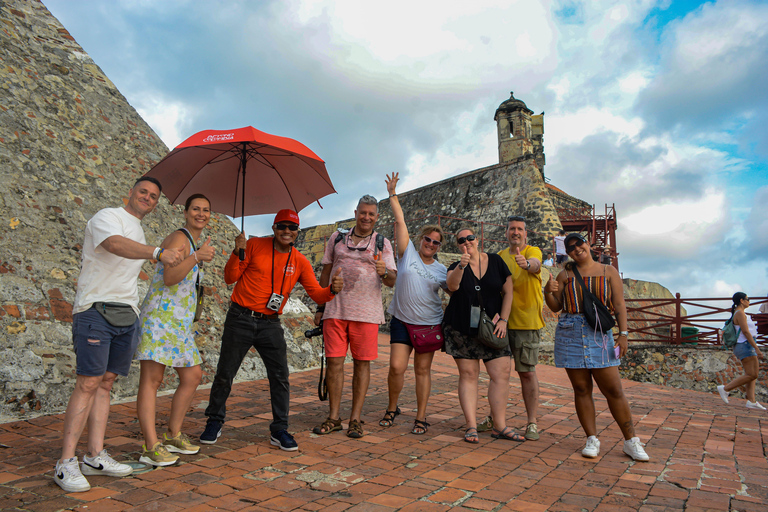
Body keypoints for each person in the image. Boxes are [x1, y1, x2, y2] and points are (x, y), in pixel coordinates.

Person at [54, 176, 185, 492]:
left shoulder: (138, 230)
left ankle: (95, 455)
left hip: (127, 314)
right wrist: (157, 252)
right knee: (88, 382)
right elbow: (113, 244)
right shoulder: (107, 217)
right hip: (95, 309)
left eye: (154, 196)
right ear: (131, 192)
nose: (148, 198)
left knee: (107, 384)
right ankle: (65, 463)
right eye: (143, 192)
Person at [199, 209, 343, 451]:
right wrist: (237, 251)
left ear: (297, 233)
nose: (287, 231)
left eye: (293, 227)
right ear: (274, 228)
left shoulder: (299, 260)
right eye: (282, 226)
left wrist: (332, 291)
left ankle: (280, 429)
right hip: (240, 317)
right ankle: (214, 420)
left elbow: (316, 293)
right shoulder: (253, 245)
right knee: (225, 373)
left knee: (280, 377)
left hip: (270, 323)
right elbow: (229, 277)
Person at [544, 233, 649, 461]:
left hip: (600, 333)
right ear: (568, 252)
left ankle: (631, 441)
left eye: (579, 243)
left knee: (613, 389)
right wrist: (547, 291)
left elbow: (619, 304)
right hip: (570, 331)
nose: (576, 249)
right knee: (581, 389)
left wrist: (624, 334)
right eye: (570, 247)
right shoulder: (565, 275)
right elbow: (556, 306)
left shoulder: (607, 271)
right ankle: (591, 438)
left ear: (588, 244)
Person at [135, 194, 217, 466]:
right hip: (161, 317)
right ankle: (150, 446)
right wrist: (196, 257)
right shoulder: (180, 239)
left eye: (206, 210)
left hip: (178, 323)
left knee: (192, 375)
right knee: (152, 380)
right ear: (185, 212)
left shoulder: (193, 242)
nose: (201, 214)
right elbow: (169, 278)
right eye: (196, 209)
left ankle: (172, 434)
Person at [313, 195, 397, 439]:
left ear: (377, 217)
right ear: (355, 212)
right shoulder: (337, 238)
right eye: (363, 212)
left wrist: (384, 273)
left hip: (366, 314)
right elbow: (326, 272)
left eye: (371, 214)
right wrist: (320, 305)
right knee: (335, 364)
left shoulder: (382, 243)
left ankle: (355, 419)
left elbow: (393, 281)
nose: (366, 217)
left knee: (362, 364)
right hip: (336, 310)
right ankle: (334, 417)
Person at [379, 173, 448, 435]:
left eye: (435, 242)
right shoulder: (407, 255)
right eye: (427, 239)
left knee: (422, 370)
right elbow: (400, 220)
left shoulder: (442, 270)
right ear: (420, 240)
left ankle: (420, 416)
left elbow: (454, 288)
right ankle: (392, 407)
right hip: (402, 321)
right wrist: (393, 194)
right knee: (396, 367)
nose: (430, 244)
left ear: (439, 246)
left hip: (429, 324)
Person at [443, 227, 522, 444]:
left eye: (470, 238)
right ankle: (471, 426)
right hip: (462, 328)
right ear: (458, 245)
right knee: (469, 375)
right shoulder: (457, 265)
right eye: (461, 240)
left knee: (502, 373)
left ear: (477, 239)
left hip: (493, 327)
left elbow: (508, 292)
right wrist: (462, 264)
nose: (466, 242)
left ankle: (500, 424)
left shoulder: (496, 261)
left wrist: (504, 320)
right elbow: (452, 285)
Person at [498, 215, 543, 441]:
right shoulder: (499, 256)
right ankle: (497, 419)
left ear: (526, 233)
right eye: (512, 229)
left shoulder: (532, 251)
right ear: (506, 232)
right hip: (502, 323)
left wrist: (527, 264)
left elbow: (536, 266)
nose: (515, 232)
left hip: (526, 323)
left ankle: (532, 422)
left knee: (526, 372)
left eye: (519, 229)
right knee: (499, 374)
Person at [716, 292, 765, 410]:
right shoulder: (739, 314)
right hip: (745, 345)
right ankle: (725, 388)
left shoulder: (741, 313)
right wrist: (757, 348)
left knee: (752, 375)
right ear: (742, 300)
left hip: (746, 345)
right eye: (748, 299)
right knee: (752, 374)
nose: (749, 301)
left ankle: (751, 401)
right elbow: (746, 332)